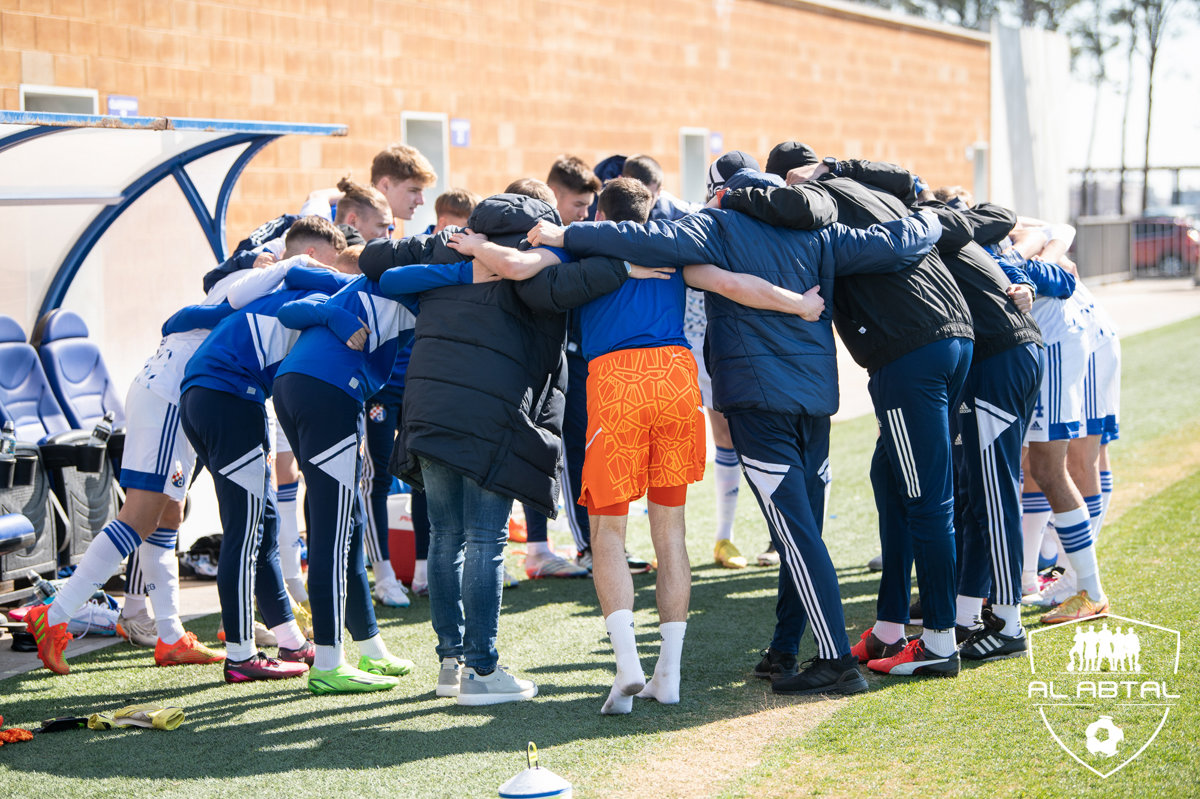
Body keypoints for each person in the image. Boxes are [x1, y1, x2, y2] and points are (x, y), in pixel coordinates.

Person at [532, 168, 943, 693]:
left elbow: (539, 273)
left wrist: (558, 236)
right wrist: (800, 301)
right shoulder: (781, 238)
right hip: (726, 387)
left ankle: (642, 666)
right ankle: (719, 664)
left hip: (651, 388)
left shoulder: (673, 236)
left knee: (615, 531)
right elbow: (742, 283)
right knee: (706, 531)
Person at [23, 219, 344, 675]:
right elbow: (200, 312)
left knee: (168, 514)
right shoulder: (277, 270)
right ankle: (54, 615)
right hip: (172, 392)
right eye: (327, 259)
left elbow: (200, 311)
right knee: (140, 514)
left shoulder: (270, 273)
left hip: (180, 391)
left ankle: (170, 635)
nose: (324, 271)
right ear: (311, 251)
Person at [361, 193, 633, 705]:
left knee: (446, 536)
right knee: (485, 541)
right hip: (490, 416)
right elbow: (605, 271)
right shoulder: (538, 267)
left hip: (428, 408)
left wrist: (448, 247)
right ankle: (482, 671)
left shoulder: (447, 256)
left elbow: (377, 262)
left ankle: (451, 663)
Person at [722, 143, 974, 679]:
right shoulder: (872, 187)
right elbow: (909, 183)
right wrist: (920, 213)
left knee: (929, 501)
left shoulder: (814, 205)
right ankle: (888, 629)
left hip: (909, 352)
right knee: (890, 477)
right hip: (948, 339)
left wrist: (740, 196)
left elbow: (879, 241)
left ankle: (939, 642)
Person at [270, 226, 486, 694]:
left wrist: (331, 314)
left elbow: (296, 307)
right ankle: (328, 663)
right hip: (324, 389)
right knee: (332, 532)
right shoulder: (412, 276)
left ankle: (368, 646)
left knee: (345, 528)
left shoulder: (371, 281)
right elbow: (290, 308)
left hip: (303, 386)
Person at [178, 220, 355, 682]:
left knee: (263, 523)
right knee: (245, 530)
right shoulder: (298, 284)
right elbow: (312, 277)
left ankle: (290, 643)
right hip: (227, 397)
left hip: (216, 396)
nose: (332, 276)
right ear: (315, 256)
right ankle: (240, 656)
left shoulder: (276, 290)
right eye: (331, 264)